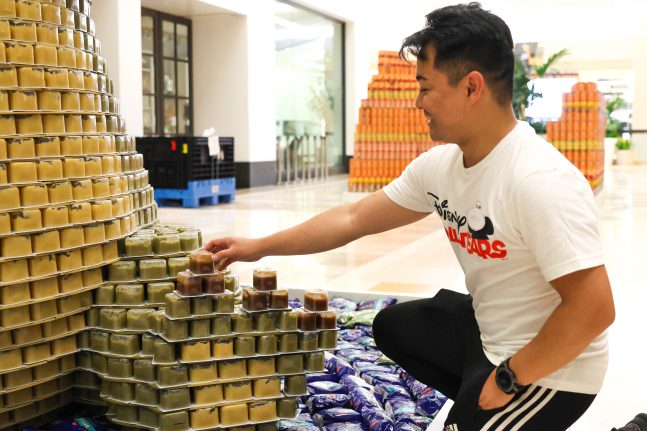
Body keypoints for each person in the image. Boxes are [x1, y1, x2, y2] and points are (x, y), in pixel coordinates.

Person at [205, 3, 622, 430]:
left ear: (472, 87)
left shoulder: (538, 179)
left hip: (552, 367)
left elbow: (593, 311)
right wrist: (256, 247)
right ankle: (476, 398)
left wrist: (508, 378)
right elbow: (353, 219)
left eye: (426, 87)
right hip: (491, 331)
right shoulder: (441, 166)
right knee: (394, 327)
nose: (418, 101)